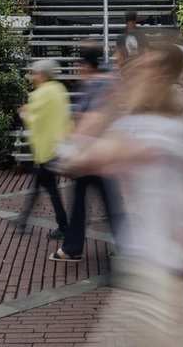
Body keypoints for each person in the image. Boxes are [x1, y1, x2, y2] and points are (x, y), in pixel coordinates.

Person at [56, 47, 183, 345]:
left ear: (158, 78)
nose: (128, 76)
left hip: (159, 271)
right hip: (158, 266)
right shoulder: (155, 123)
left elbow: (78, 158)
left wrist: (110, 102)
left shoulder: (160, 130)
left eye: (138, 71)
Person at [53, 43, 128, 261]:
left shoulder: (97, 84)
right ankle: (74, 247)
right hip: (99, 154)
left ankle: (73, 248)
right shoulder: (105, 83)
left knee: (92, 203)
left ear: (85, 65)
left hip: (92, 154)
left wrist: (76, 146)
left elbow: (94, 118)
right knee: (100, 202)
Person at [12, 58, 72, 237]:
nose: (32, 76)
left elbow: (33, 119)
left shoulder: (39, 94)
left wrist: (24, 113)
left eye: (34, 73)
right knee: (40, 185)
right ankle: (23, 219)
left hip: (45, 150)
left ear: (42, 75)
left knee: (49, 188)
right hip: (57, 146)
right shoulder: (59, 90)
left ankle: (62, 226)